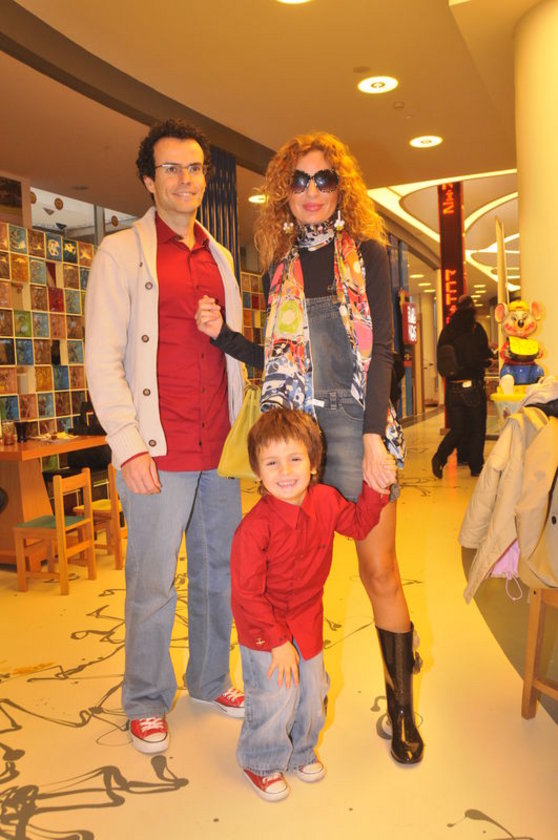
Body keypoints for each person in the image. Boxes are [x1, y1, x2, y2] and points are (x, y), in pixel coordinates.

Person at [196, 131, 424, 765]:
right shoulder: (279, 269)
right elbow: (277, 357)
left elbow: (384, 350)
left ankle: (402, 710)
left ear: (340, 189)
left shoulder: (368, 253)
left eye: (324, 179)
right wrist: (223, 337)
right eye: (300, 181)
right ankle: (292, 712)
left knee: (380, 572)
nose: (312, 191)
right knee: (292, 581)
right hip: (295, 437)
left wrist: (375, 436)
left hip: (357, 427)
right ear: (285, 194)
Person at [85, 118, 245, 755]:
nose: (186, 179)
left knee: (218, 573)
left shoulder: (221, 256)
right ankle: (147, 699)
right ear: (149, 182)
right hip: (157, 447)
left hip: (220, 446)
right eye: (171, 168)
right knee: (153, 581)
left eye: (195, 167)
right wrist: (127, 445)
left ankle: (209, 679)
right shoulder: (120, 253)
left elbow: (231, 350)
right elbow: (102, 358)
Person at [232, 408, 389, 801]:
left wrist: (376, 488)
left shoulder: (326, 500)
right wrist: (277, 642)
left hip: (307, 617)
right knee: (276, 694)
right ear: (257, 471)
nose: (285, 471)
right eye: (271, 462)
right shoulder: (253, 528)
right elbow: (247, 594)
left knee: (313, 691)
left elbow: (358, 524)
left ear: (314, 463)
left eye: (295, 459)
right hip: (263, 625)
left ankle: (302, 750)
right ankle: (261, 760)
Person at [432, 294, 493, 479]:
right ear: (472, 309)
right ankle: (476, 466)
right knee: (477, 428)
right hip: (472, 386)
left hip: (452, 389)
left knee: (458, 429)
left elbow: (442, 359)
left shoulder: (447, 331)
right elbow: (481, 357)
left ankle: (439, 457)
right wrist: (488, 361)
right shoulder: (475, 329)